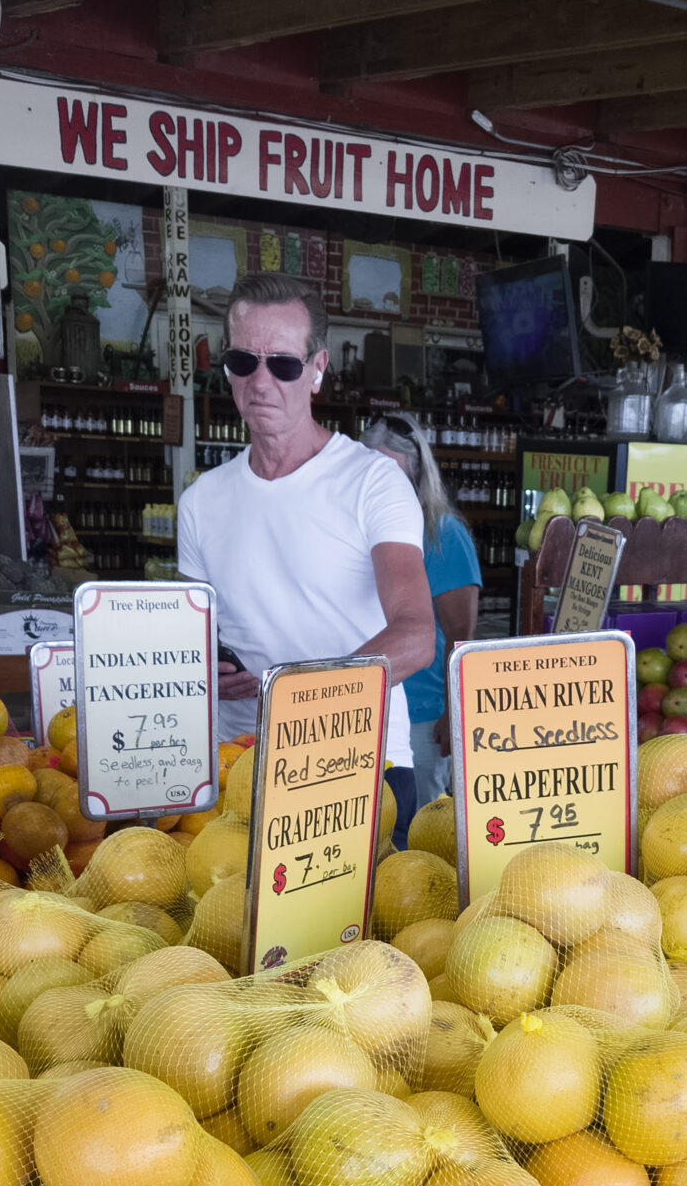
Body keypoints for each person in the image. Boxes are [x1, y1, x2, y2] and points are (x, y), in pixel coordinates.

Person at [176, 273, 436, 828]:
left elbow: (417, 635)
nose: (261, 381)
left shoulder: (373, 482)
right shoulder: (201, 502)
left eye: (284, 365)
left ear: (317, 370)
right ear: (227, 368)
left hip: (363, 762)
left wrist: (307, 705)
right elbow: (191, 640)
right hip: (241, 765)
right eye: (244, 361)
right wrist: (202, 669)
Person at [362, 414, 481, 811]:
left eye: (391, 472)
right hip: (368, 707)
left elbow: (461, 634)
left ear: (416, 476)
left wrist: (453, 713)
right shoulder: (357, 530)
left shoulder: (442, 533)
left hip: (421, 716)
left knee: (419, 831)